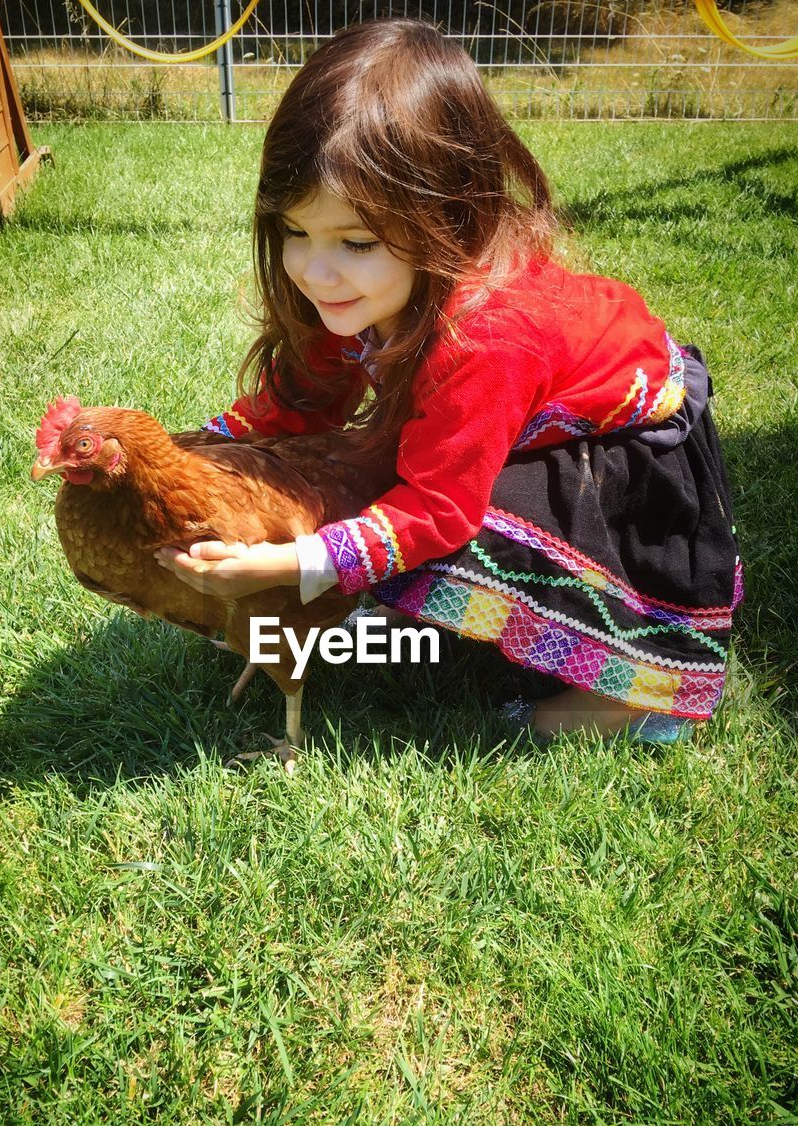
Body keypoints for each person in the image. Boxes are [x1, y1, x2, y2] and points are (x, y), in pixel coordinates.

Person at [155, 18, 741, 742]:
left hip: (628, 449)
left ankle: (635, 692)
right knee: (386, 491)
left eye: (355, 241)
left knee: (428, 515)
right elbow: (300, 400)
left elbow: (438, 508)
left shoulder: (486, 336)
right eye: (294, 231)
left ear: (448, 216)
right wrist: (170, 459)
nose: (314, 269)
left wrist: (294, 562)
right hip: (529, 412)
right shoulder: (371, 291)